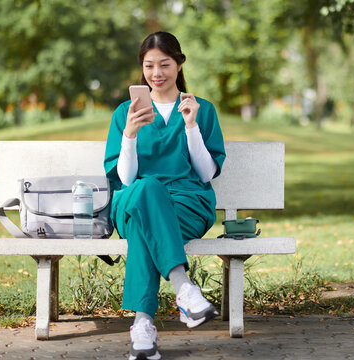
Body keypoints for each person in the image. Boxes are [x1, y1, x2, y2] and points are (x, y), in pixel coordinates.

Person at [104, 31, 226, 360]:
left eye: (164, 64)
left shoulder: (202, 110)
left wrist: (190, 127)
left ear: (179, 64)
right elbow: (125, 179)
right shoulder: (123, 113)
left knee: (148, 230)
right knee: (147, 187)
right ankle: (184, 288)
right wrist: (129, 134)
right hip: (133, 202)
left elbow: (206, 173)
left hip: (187, 207)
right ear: (141, 68)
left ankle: (143, 327)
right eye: (149, 66)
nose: (156, 73)